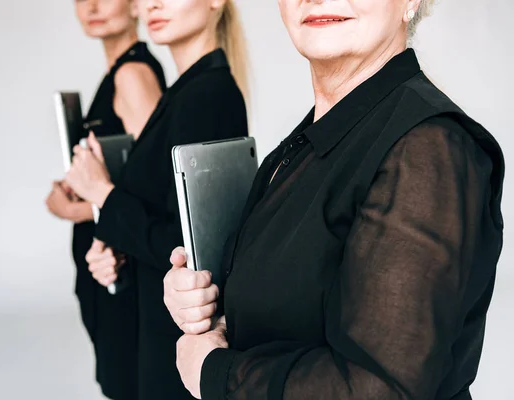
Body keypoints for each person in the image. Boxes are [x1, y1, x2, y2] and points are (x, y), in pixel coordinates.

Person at [163, 0, 505, 399]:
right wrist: (206, 301)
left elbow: (379, 388)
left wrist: (215, 373)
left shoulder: (427, 148)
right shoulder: (307, 144)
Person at [64, 0, 250, 399]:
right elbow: (166, 223)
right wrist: (116, 248)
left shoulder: (208, 94)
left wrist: (101, 192)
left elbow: (195, 251)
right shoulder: (184, 92)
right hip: (159, 326)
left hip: (177, 338)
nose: (153, 4)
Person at [45, 0, 166, 398]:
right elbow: (128, 176)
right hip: (112, 266)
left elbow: (157, 193)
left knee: (125, 383)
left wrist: (74, 209)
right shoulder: (119, 72)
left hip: (123, 271)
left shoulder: (132, 74)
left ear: (137, 5)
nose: (93, 6)